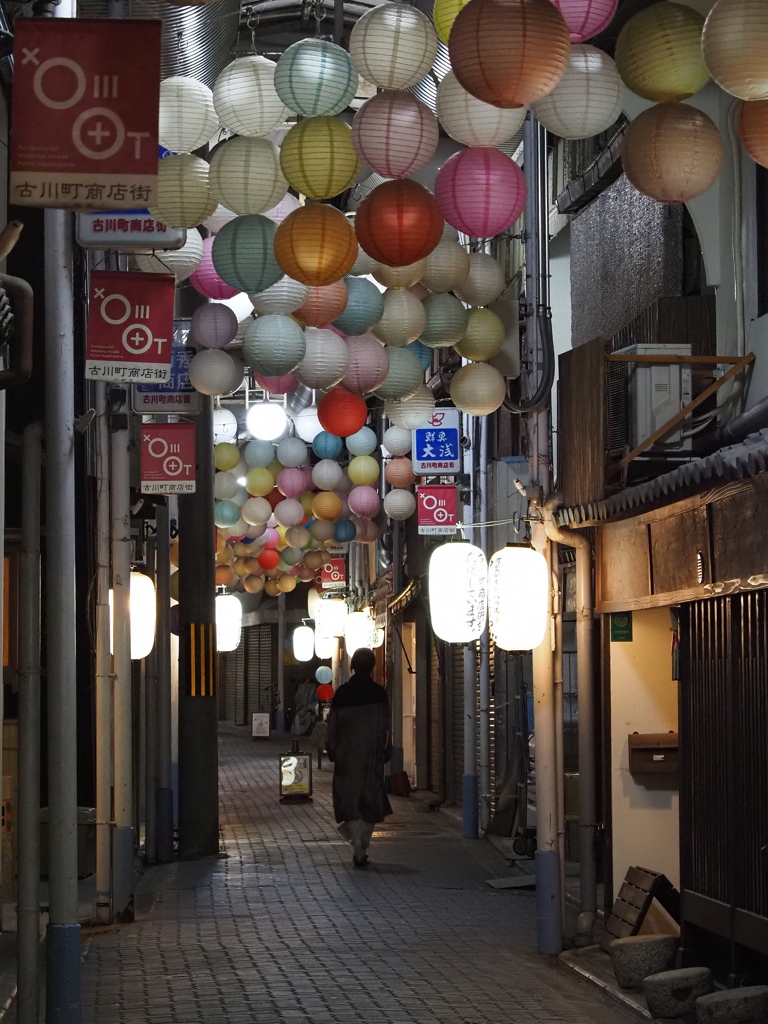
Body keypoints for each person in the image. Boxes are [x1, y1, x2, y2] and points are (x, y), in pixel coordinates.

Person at [325, 647, 392, 867]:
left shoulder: (343, 693)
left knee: (349, 800)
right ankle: (363, 842)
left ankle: (357, 845)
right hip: (371, 756)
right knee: (370, 800)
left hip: (347, 756)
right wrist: (386, 748)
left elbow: (332, 725)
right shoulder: (379, 693)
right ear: (372, 666)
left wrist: (332, 748)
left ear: (352, 666)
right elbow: (385, 725)